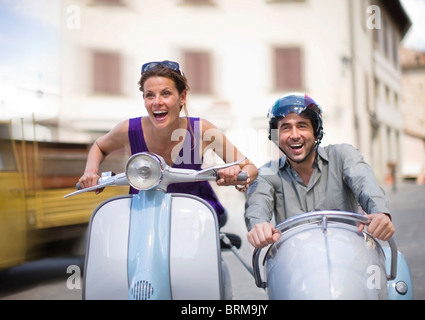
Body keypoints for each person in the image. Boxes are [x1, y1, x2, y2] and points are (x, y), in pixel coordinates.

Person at [78, 60, 258, 227]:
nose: (157, 102)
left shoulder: (200, 130)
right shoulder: (129, 130)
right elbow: (99, 146)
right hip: (145, 217)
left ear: (182, 97)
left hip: (195, 217)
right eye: (150, 95)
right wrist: (90, 171)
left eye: (166, 93)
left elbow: (250, 167)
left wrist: (236, 175)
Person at [245, 93, 395, 248]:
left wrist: (380, 213)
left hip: (347, 258)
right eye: (286, 128)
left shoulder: (343, 155)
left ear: (316, 132)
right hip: (294, 264)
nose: (294, 135)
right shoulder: (267, 173)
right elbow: (257, 205)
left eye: (302, 126)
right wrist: (259, 226)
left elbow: (366, 184)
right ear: (276, 137)